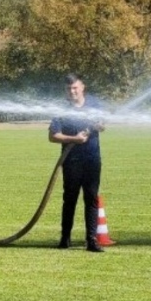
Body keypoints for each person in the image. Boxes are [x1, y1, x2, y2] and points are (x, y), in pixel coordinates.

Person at [49, 74, 106, 252]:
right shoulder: (60, 109)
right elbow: (52, 136)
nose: (72, 91)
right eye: (69, 89)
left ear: (82, 87)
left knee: (91, 198)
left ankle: (92, 240)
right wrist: (74, 138)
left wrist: (99, 125)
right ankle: (65, 238)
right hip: (71, 160)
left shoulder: (95, 104)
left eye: (75, 87)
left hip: (92, 159)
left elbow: (103, 125)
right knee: (70, 199)